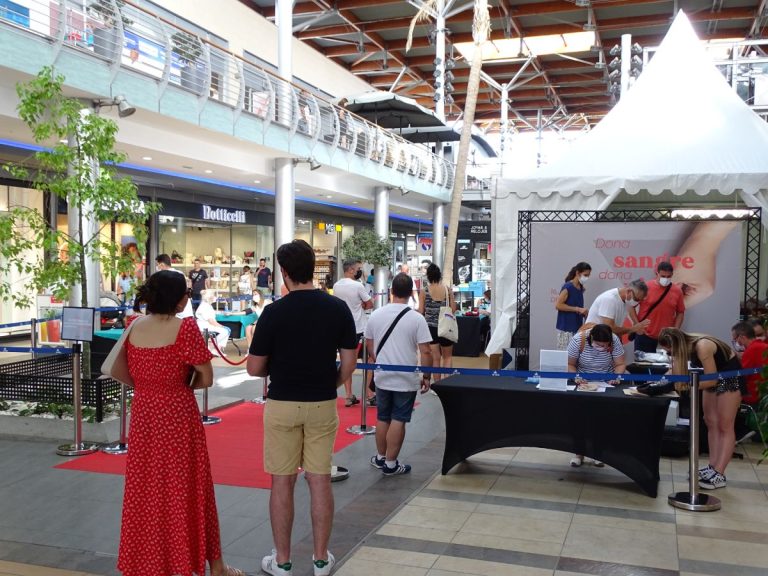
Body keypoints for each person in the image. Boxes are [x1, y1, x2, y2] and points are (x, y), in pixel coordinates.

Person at [118, 270, 243, 576]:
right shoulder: (185, 328)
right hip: (177, 415)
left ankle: (149, 564)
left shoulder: (133, 326)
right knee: (190, 487)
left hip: (145, 414)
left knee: (146, 489)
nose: (188, 297)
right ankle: (213, 567)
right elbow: (206, 377)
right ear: (176, 298)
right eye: (186, 293)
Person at [247, 239, 357, 576]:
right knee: (319, 479)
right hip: (322, 403)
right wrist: (330, 383)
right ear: (314, 269)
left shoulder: (274, 312)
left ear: (283, 272)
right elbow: (350, 363)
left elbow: (253, 367)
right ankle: (321, 560)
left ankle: (282, 561)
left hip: (282, 403)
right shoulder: (337, 308)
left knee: (282, 482)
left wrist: (277, 370)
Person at [658, 327, 743, 490]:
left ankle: (719, 472)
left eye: (670, 351)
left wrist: (686, 385)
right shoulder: (685, 348)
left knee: (725, 425)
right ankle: (712, 466)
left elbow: (712, 380)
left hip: (729, 378)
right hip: (710, 378)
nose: (670, 354)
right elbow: (675, 371)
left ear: (678, 345)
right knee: (710, 422)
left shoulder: (703, 346)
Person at [365, 273, 433, 476]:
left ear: (391, 291)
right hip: (406, 378)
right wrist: (427, 376)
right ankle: (392, 464)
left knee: (383, 417)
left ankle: (380, 457)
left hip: (382, 376)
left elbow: (369, 343)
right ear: (411, 293)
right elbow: (426, 351)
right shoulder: (416, 318)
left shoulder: (377, 314)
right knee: (399, 419)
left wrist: (377, 359)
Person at [566, 323, 626, 468]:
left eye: (605, 346)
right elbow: (569, 364)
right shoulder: (578, 340)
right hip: (583, 384)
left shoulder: (614, 340)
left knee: (601, 420)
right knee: (580, 419)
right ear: (591, 338)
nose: (602, 348)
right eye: (598, 345)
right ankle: (578, 454)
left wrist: (616, 377)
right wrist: (576, 377)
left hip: (606, 383)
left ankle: (598, 454)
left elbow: (620, 363)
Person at [333, 259, 374, 407]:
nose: (360, 271)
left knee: (347, 363)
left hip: (342, 329)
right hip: (359, 328)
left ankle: (349, 395)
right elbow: (370, 303)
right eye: (358, 269)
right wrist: (361, 306)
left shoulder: (336, 286)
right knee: (369, 360)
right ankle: (369, 393)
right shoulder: (358, 285)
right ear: (350, 270)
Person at [628, 261, 685, 353]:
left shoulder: (677, 291)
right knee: (643, 366)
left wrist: (675, 331)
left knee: (666, 366)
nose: (666, 279)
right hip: (644, 335)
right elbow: (631, 306)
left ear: (672, 275)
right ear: (656, 274)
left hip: (666, 338)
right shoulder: (646, 287)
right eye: (663, 276)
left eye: (668, 276)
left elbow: (680, 312)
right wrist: (637, 325)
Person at [418, 264, 456, 382]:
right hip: (446, 327)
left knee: (436, 358)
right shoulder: (447, 290)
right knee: (447, 357)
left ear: (428, 276)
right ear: (439, 275)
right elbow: (453, 309)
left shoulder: (424, 291)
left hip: (431, 328)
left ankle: (437, 385)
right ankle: (447, 383)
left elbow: (420, 311)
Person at [585, 279, 650, 338]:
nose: (637, 302)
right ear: (629, 291)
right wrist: (632, 329)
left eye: (639, 301)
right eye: (636, 299)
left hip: (605, 339)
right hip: (592, 340)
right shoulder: (609, 299)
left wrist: (636, 324)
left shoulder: (627, 301)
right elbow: (609, 328)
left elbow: (629, 310)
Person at [554, 262, 591, 350]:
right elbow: (558, 305)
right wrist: (578, 309)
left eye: (588, 276)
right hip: (565, 329)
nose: (587, 278)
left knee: (575, 356)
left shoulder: (581, 288)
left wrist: (584, 313)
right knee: (564, 356)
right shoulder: (568, 287)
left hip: (577, 328)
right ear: (577, 273)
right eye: (585, 275)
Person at [731, 321, 768, 406]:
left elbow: (742, 377)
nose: (735, 342)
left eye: (735, 339)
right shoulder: (763, 346)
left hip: (754, 397)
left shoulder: (751, 350)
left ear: (742, 337)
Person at [156, 254, 193, 319]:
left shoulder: (164, 276)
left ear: (162, 264)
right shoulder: (179, 273)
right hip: (185, 311)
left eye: (157, 264)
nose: (157, 267)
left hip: (177, 312)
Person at [195, 289, 230, 356]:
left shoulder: (207, 305)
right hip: (205, 326)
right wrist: (221, 326)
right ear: (209, 297)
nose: (215, 297)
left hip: (207, 325)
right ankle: (213, 347)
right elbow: (211, 321)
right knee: (225, 331)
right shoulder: (205, 306)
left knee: (226, 330)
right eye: (214, 295)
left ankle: (216, 349)